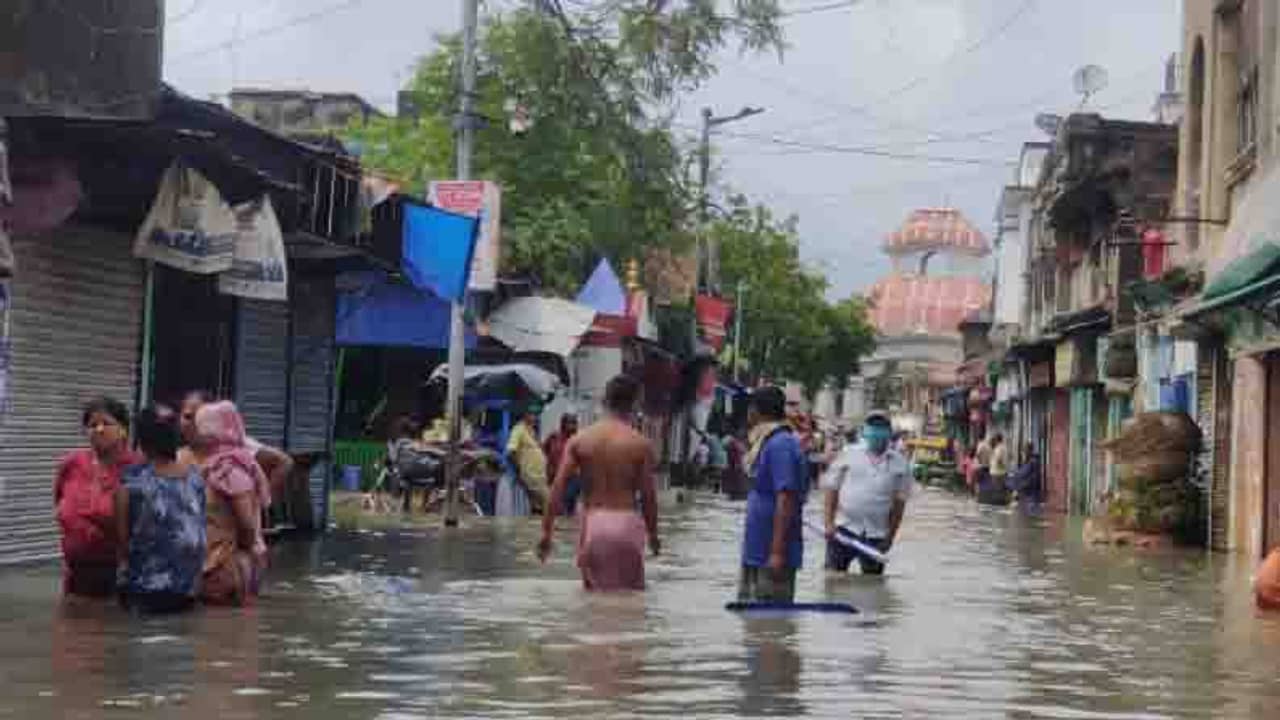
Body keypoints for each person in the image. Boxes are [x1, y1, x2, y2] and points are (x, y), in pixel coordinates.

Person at [539, 375, 659, 591]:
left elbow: (557, 487)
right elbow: (649, 496)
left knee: (592, 602)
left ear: (604, 401)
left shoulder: (580, 440)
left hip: (593, 525)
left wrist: (547, 533)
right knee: (631, 603)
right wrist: (653, 535)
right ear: (635, 404)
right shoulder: (641, 444)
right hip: (627, 526)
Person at [114, 405, 206, 613]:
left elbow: (121, 542)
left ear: (142, 439)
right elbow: (200, 530)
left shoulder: (132, 480)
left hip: (144, 591)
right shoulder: (194, 477)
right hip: (187, 589)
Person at [54, 397, 141, 597]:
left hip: (120, 577)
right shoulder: (72, 464)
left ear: (123, 430)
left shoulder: (137, 469)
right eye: (92, 425)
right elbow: (59, 502)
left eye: (107, 423)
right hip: (76, 577)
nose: (99, 429)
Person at [191, 401, 270, 606]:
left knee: (220, 629)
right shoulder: (218, 466)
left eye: (204, 429)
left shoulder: (231, 470)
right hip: (219, 562)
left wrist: (236, 554)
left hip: (228, 564)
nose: (199, 434)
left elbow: (246, 524)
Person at [738, 385, 808, 603]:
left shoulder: (781, 445)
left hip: (771, 554)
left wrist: (776, 552)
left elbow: (785, 498)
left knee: (770, 627)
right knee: (752, 624)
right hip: (756, 550)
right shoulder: (766, 442)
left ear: (756, 411)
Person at [820, 410, 912, 576]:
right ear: (865, 431)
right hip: (843, 529)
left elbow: (899, 504)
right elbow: (831, 489)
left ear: (889, 432)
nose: (877, 432)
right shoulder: (848, 454)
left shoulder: (901, 464)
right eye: (873, 427)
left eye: (881, 427)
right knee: (833, 579)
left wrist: (890, 537)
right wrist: (828, 523)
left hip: (876, 535)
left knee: (872, 584)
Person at [177, 391, 293, 506]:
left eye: (201, 417)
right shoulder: (178, 451)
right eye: (188, 417)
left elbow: (284, 462)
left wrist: (260, 502)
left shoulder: (234, 443)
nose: (194, 423)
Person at [542, 414, 580, 515]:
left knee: (567, 499)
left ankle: (567, 521)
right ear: (563, 424)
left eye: (574, 423)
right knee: (558, 502)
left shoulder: (578, 439)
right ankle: (562, 523)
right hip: (555, 475)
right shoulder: (554, 437)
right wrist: (551, 464)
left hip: (572, 476)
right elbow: (544, 449)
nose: (572, 426)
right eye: (569, 423)